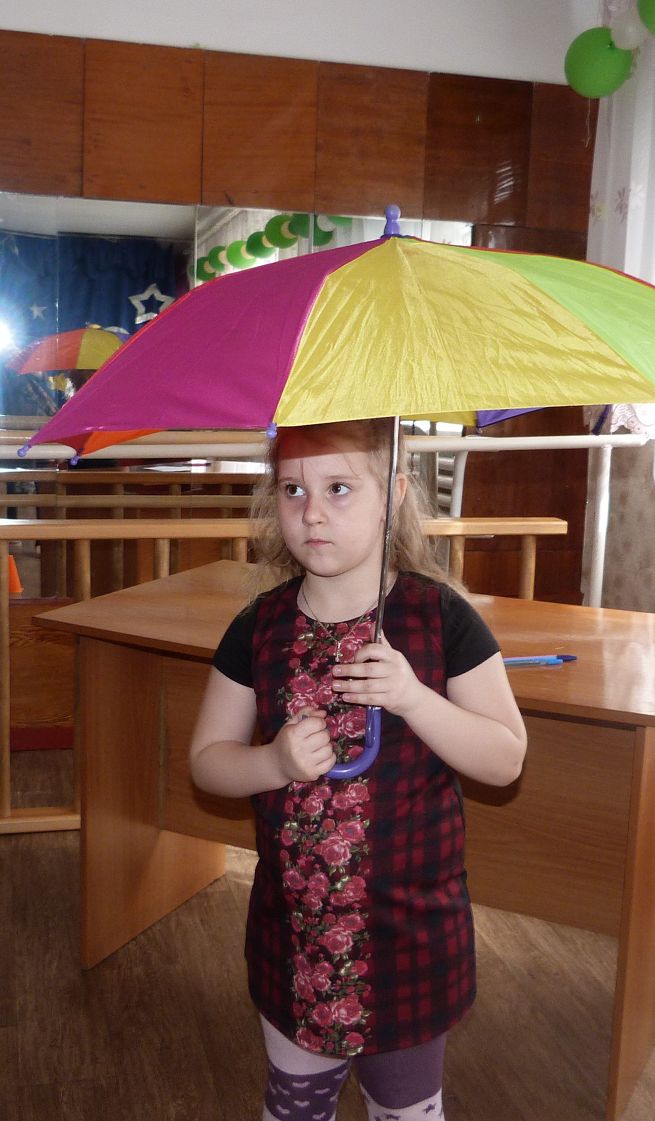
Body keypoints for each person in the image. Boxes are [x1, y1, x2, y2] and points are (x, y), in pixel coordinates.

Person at [189, 418, 527, 1121]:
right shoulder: (258, 627)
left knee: (405, 1108)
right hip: (295, 935)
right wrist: (273, 761)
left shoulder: (441, 619)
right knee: (294, 1106)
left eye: (339, 488)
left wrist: (414, 698)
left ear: (392, 494)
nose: (311, 512)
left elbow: (505, 759)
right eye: (293, 489)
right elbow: (208, 762)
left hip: (409, 940)